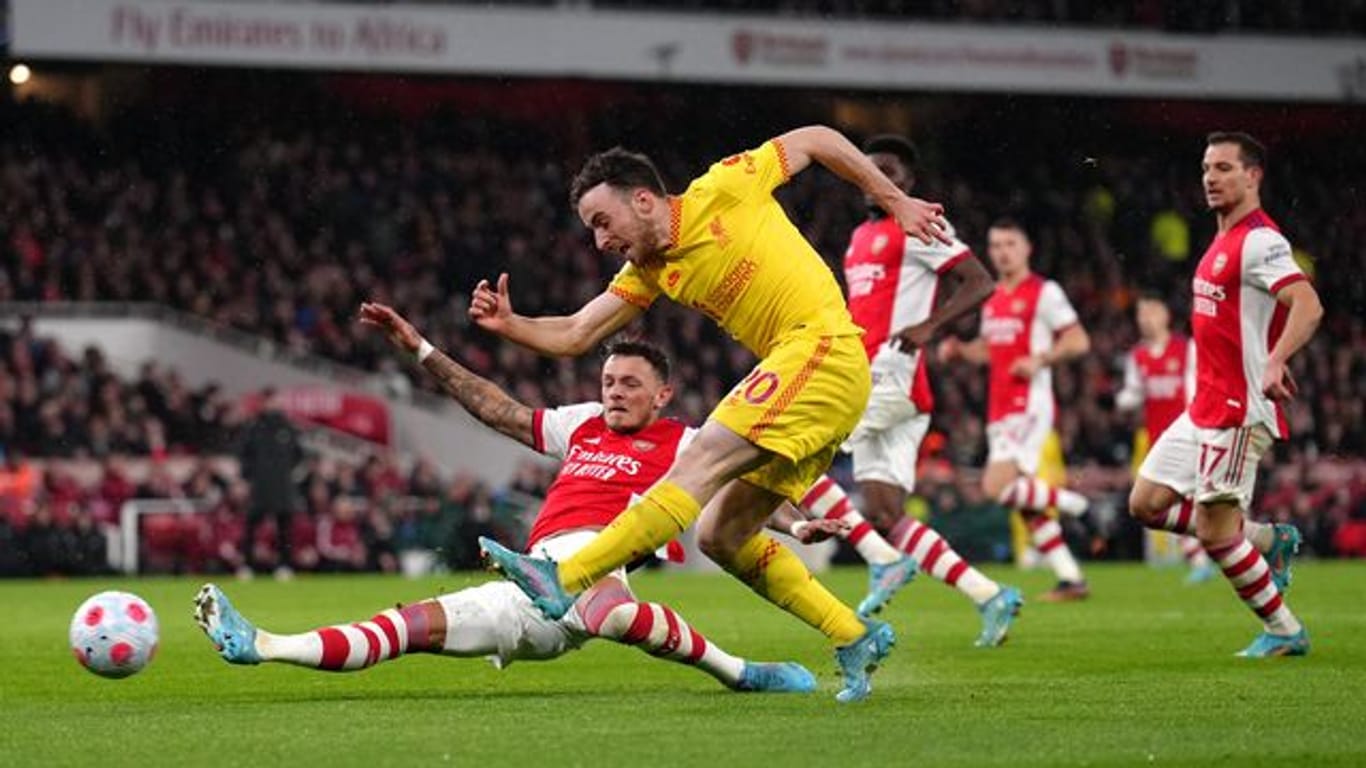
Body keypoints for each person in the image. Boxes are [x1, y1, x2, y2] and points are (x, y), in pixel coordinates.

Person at [470, 126, 947, 701]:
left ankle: (565, 577)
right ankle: (853, 634)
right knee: (722, 534)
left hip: (822, 348)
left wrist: (894, 201)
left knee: (700, 457)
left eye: (602, 222)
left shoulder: (726, 186)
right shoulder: (651, 270)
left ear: (643, 199)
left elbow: (818, 138)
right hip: (812, 380)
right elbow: (578, 331)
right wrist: (511, 325)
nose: (599, 242)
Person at [196, 307, 814, 693]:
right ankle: (266, 645)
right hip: (529, 591)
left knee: (614, 608)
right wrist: (421, 351)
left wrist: (796, 520)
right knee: (403, 626)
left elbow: (741, 488)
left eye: (630, 384)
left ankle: (744, 674)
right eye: (608, 382)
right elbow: (497, 409)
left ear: (663, 395)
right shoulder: (583, 424)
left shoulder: (686, 443)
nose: (615, 392)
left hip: (596, 566)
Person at [789, 135, 1021, 647]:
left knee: (789, 446)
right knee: (885, 512)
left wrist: (930, 327)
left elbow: (978, 281)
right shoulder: (857, 239)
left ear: (908, 182)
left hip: (892, 375)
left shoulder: (916, 225)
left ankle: (883, 560)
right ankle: (990, 595)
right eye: (868, 170)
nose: (876, 179)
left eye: (889, 170)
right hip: (868, 375)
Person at [1128, 132, 1320, 657]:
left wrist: (1277, 358)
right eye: (1207, 168)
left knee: (1215, 536)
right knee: (1144, 504)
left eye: (1225, 168)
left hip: (1237, 412)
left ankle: (1285, 631)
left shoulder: (1260, 241)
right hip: (1203, 407)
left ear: (1253, 175)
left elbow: (1307, 304)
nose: (1212, 178)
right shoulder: (1223, 240)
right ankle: (1265, 540)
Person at [938, 219, 1093, 602]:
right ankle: (1070, 578)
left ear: (1027, 249)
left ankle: (1073, 503)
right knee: (1022, 500)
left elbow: (1078, 340)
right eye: (995, 245)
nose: (1002, 252)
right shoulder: (992, 299)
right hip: (999, 406)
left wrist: (1041, 360)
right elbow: (989, 352)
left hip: (1028, 404)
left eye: (1010, 243)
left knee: (996, 487)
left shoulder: (1045, 292)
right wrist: (960, 350)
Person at [1115, 293, 1214, 583]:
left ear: (1165, 316)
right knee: (1164, 502)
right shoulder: (1137, 356)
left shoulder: (1187, 350)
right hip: (1154, 439)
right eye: (1141, 314)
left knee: (1198, 499)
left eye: (1150, 312)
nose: (1145, 319)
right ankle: (1198, 559)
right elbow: (1132, 393)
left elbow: (1194, 391)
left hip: (1189, 434)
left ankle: (1223, 551)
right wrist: (1122, 400)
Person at [236, 388, 304, 581]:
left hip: (282, 486)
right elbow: (243, 455)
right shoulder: (254, 428)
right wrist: (248, 478)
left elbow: (298, 455)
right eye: (270, 401)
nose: (273, 404)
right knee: (250, 527)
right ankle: (247, 565)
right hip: (260, 486)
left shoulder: (287, 427)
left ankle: (284, 565)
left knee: (284, 528)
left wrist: (286, 474)